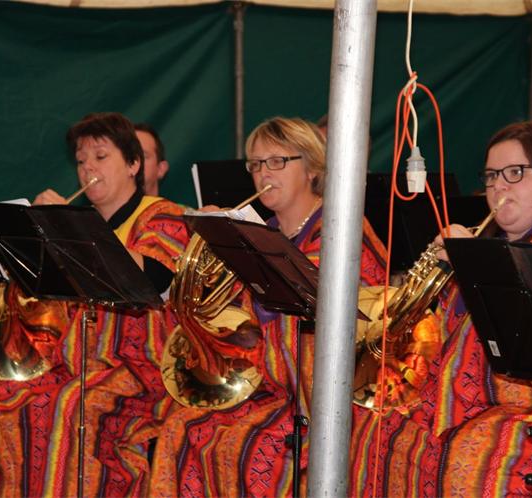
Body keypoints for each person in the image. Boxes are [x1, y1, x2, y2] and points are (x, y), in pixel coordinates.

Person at [349, 120, 532, 496]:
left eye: (515, 173)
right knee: (373, 430)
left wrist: (476, 263)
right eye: (491, 176)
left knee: (468, 471)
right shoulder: (491, 241)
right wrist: (441, 278)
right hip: (480, 400)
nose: (499, 186)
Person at [0, 112, 190, 497]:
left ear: (133, 164)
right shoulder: (84, 219)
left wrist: (66, 228)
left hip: (138, 369)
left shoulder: (164, 215)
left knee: (69, 407)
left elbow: (152, 280)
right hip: (71, 365)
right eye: (81, 161)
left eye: (100, 156)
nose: (87, 168)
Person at [149, 116, 387, 496]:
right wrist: (216, 243)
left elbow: (354, 316)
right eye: (257, 164)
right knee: (179, 428)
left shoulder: (342, 229)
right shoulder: (264, 230)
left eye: (277, 161)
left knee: (248, 449)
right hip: (269, 384)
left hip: (325, 396)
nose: (264, 173)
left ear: (312, 168)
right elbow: (228, 318)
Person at [134, 123, 169, 197]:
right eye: (126, 156)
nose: (134, 162)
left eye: (143, 156)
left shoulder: (176, 206)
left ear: (161, 169)